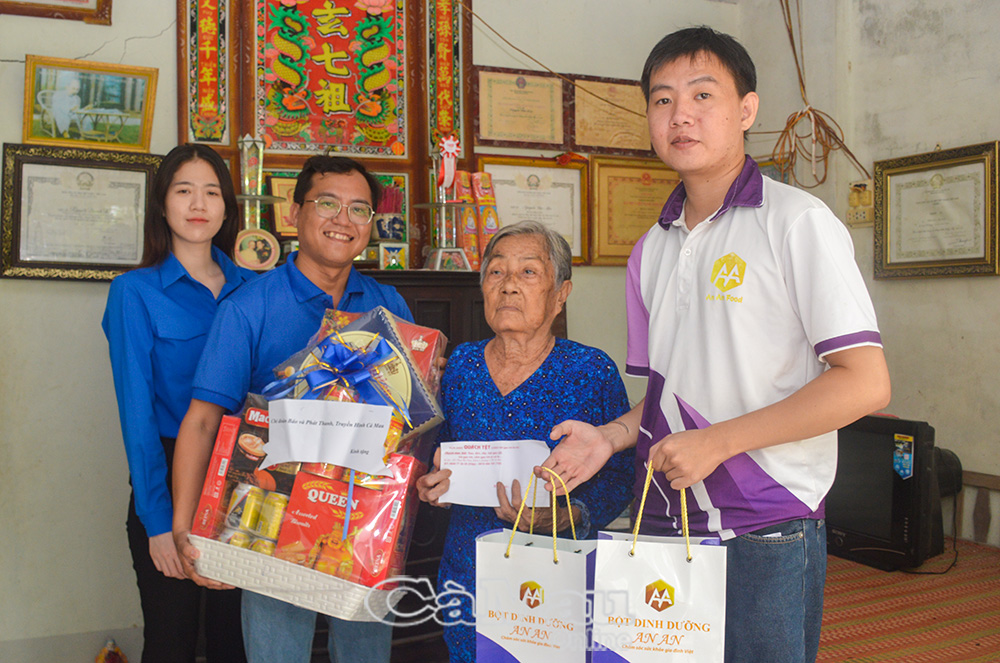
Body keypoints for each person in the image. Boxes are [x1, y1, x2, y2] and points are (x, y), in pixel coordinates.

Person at [540, 27, 891, 663]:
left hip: (766, 524)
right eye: (663, 100)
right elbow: (667, 395)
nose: (682, 115)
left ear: (747, 110)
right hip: (667, 522)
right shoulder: (651, 249)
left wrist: (720, 442)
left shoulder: (797, 223)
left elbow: (865, 382)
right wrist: (611, 437)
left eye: (704, 94)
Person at [171, 154, 413, 663]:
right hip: (273, 516)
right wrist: (187, 524)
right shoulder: (248, 307)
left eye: (359, 210)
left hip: (365, 521)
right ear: (294, 212)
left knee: (366, 654)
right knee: (276, 653)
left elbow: (410, 418)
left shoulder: (390, 305)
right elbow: (201, 421)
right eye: (327, 203)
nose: (343, 220)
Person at [416, 221, 635, 662]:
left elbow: (620, 477)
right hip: (469, 569)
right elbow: (439, 451)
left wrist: (566, 516)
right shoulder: (459, 364)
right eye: (496, 273)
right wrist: (430, 483)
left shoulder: (590, 370)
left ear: (561, 294)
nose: (509, 286)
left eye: (529, 273)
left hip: (558, 574)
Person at [103, 144, 253, 663]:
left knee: (237, 643)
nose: (199, 203)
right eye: (183, 190)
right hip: (167, 474)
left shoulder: (255, 289)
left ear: (227, 207)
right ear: (161, 203)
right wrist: (158, 521)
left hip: (245, 479)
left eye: (212, 192)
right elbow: (136, 415)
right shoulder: (134, 292)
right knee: (172, 639)